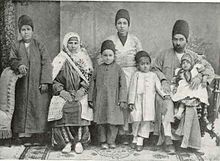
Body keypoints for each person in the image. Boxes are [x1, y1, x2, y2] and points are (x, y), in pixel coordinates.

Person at [153, 19, 215, 154]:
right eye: (175, 39)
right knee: (166, 104)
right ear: (171, 39)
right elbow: (154, 69)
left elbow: (209, 70)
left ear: (187, 40)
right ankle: (168, 141)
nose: (178, 43)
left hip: (186, 92)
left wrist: (199, 77)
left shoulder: (193, 56)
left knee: (190, 105)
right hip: (168, 90)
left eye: (181, 39)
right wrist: (163, 79)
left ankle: (188, 141)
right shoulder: (163, 54)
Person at [9, 15, 52, 145]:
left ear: (32, 31)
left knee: (38, 108)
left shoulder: (39, 45)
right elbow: (12, 59)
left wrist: (45, 81)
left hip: (37, 84)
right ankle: (22, 135)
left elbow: (46, 63)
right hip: (22, 84)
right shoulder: (16, 45)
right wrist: (19, 65)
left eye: (28, 29)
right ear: (19, 31)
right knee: (22, 109)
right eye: (23, 29)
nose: (26, 32)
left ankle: (39, 135)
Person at [51, 32, 93, 154]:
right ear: (65, 44)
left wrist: (82, 90)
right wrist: (61, 91)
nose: (73, 46)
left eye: (76, 43)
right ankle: (67, 142)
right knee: (62, 108)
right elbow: (54, 79)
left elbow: (88, 79)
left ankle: (79, 141)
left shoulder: (84, 59)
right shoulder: (60, 59)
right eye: (70, 43)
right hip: (64, 93)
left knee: (80, 108)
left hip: (80, 92)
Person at [105, 8, 142, 145]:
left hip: (132, 73)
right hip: (115, 72)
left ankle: (130, 132)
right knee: (118, 102)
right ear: (115, 25)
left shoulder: (135, 40)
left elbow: (141, 57)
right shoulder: (110, 39)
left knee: (131, 101)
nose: (122, 26)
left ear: (129, 25)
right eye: (119, 23)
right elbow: (101, 57)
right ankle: (119, 131)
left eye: (124, 23)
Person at [88, 40, 127, 149]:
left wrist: (122, 99)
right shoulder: (97, 69)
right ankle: (103, 141)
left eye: (110, 55)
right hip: (100, 100)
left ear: (114, 56)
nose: (108, 58)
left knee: (112, 122)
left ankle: (111, 141)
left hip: (114, 100)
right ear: (101, 56)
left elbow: (123, 85)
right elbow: (92, 84)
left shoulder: (118, 69)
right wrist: (90, 98)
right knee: (101, 122)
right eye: (105, 55)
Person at [128, 51, 169, 151]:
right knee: (136, 119)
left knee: (146, 121)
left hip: (148, 102)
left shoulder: (153, 75)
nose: (145, 66)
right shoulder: (136, 75)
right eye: (142, 64)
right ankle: (134, 138)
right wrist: (131, 102)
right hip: (138, 100)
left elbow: (158, 87)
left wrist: (164, 95)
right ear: (138, 65)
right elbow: (132, 89)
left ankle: (140, 140)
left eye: (147, 64)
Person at [171, 53, 209, 120]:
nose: (185, 64)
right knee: (182, 99)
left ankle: (200, 115)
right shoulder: (181, 71)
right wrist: (175, 84)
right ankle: (179, 113)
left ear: (191, 63)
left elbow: (205, 72)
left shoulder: (195, 68)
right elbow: (177, 79)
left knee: (193, 98)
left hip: (194, 88)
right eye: (183, 63)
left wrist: (204, 80)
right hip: (185, 88)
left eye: (187, 62)